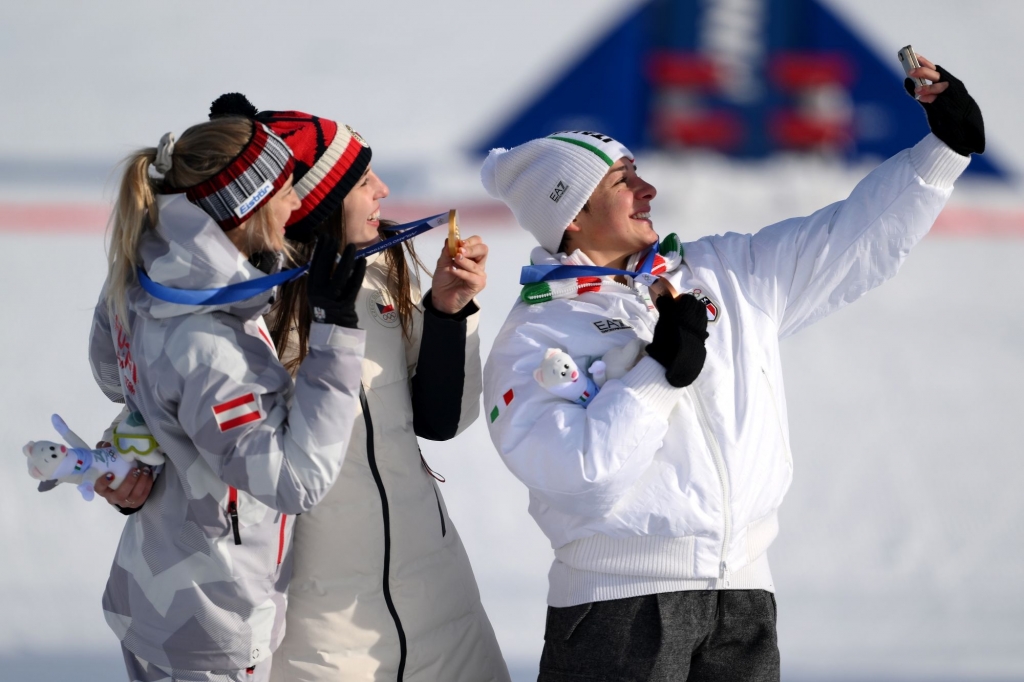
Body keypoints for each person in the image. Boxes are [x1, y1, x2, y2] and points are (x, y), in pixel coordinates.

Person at [479, 56, 984, 680]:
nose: (648, 190)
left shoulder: (723, 273)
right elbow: (578, 476)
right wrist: (655, 374)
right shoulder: (536, 334)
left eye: (639, 172)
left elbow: (847, 239)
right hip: (617, 611)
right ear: (572, 217)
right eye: (622, 181)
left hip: (744, 598)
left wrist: (941, 154)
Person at [203, 95, 511, 682]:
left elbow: (440, 421)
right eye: (365, 180)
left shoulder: (378, 268)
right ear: (317, 201)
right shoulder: (245, 312)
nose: (385, 191)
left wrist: (448, 310)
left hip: (441, 599)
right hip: (319, 630)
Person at [88, 114, 368, 681]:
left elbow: (113, 376)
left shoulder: (147, 268)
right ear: (250, 207)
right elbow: (295, 480)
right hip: (212, 625)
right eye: (287, 190)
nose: (297, 207)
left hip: (155, 597)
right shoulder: (212, 341)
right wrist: (333, 335)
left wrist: (145, 438)